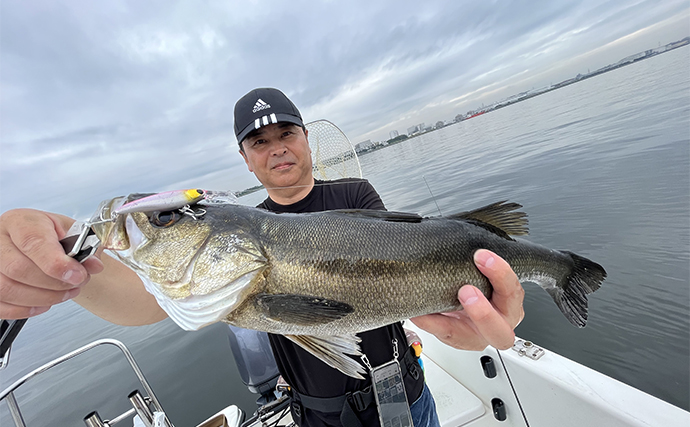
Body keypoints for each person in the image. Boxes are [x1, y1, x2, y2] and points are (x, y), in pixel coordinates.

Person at [0, 88, 525, 427]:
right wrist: (69, 268)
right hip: (313, 413)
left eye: (286, 133)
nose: (277, 148)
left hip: (402, 400)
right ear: (246, 161)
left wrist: (459, 313)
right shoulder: (232, 233)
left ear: (305, 140)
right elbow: (146, 303)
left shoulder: (357, 196)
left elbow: (402, 270)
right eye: (260, 142)